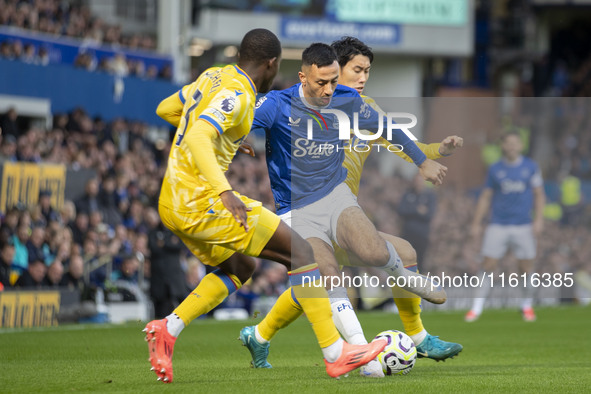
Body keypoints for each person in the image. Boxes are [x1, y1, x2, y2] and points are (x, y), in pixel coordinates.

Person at [143, 29, 386, 384]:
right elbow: (197, 136)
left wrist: (223, 134)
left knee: (241, 268)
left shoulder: (213, 76)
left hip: (171, 202)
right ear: (271, 64)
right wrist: (224, 189)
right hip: (204, 201)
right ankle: (335, 354)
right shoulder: (241, 93)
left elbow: (165, 109)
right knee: (303, 252)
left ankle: (168, 327)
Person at [240, 37, 462, 376]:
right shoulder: (285, 104)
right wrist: (238, 134)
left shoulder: (357, 104)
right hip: (301, 209)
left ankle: (260, 334)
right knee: (319, 277)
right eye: (356, 70)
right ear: (332, 68)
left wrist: (435, 154)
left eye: (367, 71)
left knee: (391, 256)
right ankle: (364, 351)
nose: (362, 77)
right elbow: (245, 120)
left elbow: (399, 137)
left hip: (341, 209)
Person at [465, 131, 545, 322]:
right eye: (508, 143)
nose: (511, 146)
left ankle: (526, 305)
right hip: (498, 224)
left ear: (521, 145)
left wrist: (539, 219)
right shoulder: (495, 169)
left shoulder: (531, 167)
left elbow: (539, 194)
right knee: (488, 263)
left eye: (515, 143)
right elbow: (486, 196)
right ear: (503, 146)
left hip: (523, 224)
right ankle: (476, 307)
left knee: (526, 266)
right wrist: (476, 223)